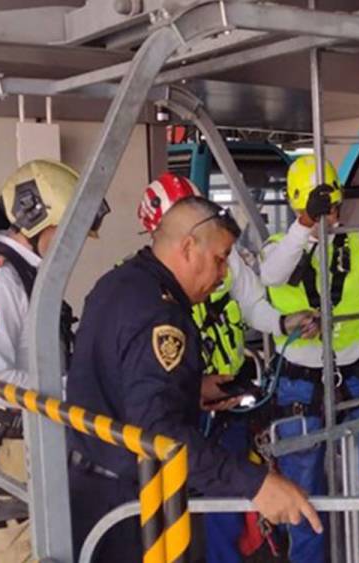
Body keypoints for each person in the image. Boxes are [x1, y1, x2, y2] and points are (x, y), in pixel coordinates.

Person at [66, 195, 322, 562]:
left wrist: (188, 389)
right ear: (187, 247)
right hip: (129, 501)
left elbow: (115, 375)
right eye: (220, 260)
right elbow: (159, 433)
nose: (222, 276)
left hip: (90, 486)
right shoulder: (161, 313)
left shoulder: (118, 284)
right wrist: (256, 483)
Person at [136, 172, 319, 562]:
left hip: (229, 400)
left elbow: (253, 306)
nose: (217, 266)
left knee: (227, 509)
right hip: (183, 409)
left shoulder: (227, 256)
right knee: (174, 511)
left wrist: (285, 323)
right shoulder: (146, 286)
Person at [259, 155, 359, 563]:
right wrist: (303, 229)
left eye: (332, 206)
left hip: (358, 377)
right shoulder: (279, 249)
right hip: (300, 382)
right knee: (302, 489)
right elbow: (271, 276)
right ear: (299, 207)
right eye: (320, 207)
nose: (330, 215)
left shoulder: (355, 244)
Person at [0, 159, 109, 563]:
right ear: (37, 222)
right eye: (67, 233)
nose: (72, 246)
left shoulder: (29, 273)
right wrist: (77, 389)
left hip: (42, 438)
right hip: (14, 451)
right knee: (22, 553)